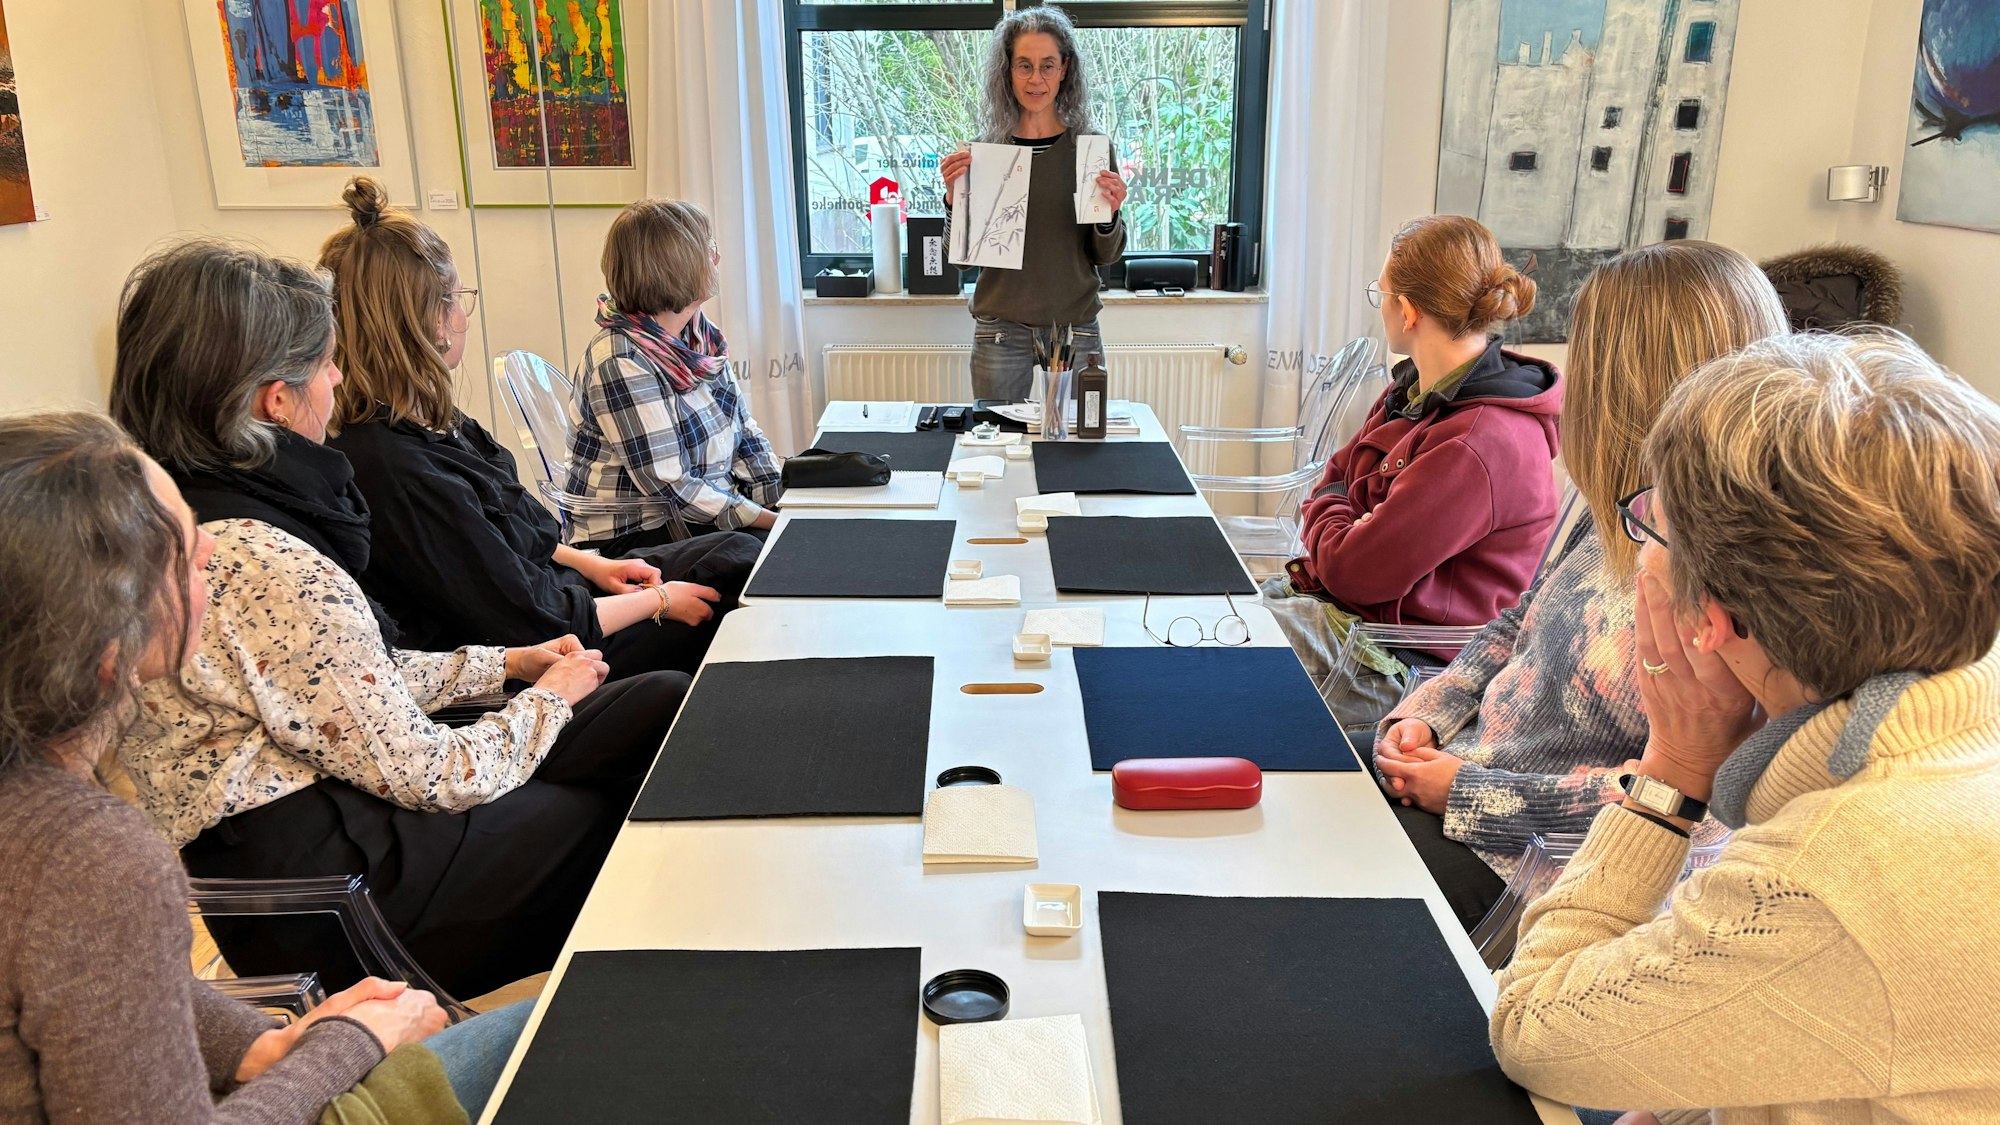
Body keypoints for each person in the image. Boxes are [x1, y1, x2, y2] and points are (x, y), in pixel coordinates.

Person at [109, 238, 687, 1000]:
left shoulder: (190, 511)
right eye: (325, 365)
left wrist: (507, 665)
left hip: (328, 832)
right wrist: (549, 699)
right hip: (350, 893)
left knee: (656, 708)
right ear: (275, 401)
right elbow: (433, 773)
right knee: (619, 817)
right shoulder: (259, 557)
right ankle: (642, 1005)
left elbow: (339, 683)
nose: (338, 379)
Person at [1491, 332, 2000, 1123]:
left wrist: (1673, 767)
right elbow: (1820, 1031)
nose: (1643, 546)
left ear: (1713, 620)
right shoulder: (1941, 747)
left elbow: (1531, 1027)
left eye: (1654, 525)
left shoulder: (1832, 869)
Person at [0, 409, 533, 1123]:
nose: (210, 552)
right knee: (580, 1030)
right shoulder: (88, 855)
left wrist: (258, 1045)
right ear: (105, 644)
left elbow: (105, 983)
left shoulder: (49, 824)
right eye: (183, 553)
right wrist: (349, 1042)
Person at [1371, 241, 1789, 931]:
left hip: (1533, 864)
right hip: (1465, 767)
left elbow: (1695, 801)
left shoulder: (1742, 573)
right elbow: (1518, 622)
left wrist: (1465, 791)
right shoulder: (1631, 507)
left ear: (1617, 380)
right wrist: (1428, 713)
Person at [318, 177, 761, 672]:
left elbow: (528, 532)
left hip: (563, 593)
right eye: (456, 297)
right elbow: (530, 618)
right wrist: (657, 601)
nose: (464, 314)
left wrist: (598, 566)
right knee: (732, 584)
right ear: (433, 320)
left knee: (741, 554)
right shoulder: (400, 471)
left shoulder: (434, 423)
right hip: (552, 645)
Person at [1263, 214, 1558, 730]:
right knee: (1213, 617)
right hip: (1351, 616)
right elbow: (1336, 476)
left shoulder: (1476, 442)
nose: (1380, 306)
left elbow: (1354, 569)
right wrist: (1345, 520)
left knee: (1216, 656)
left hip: (1399, 660)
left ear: (1408, 310)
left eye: (1380, 294)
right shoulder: (1417, 389)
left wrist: (1341, 520)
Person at [566, 197, 783, 554]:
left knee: (811, 537)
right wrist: (771, 521)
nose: (716, 259)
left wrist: (780, 498)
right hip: (635, 534)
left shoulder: (698, 335)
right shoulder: (621, 360)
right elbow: (672, 488)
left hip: (700, 512)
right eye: (708, 249)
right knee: (782, 554)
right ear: (677, 267)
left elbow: (744, 432)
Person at [939, 4, 1129, 400]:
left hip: (1076, 329)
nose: (1036, 78)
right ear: (1007, 71)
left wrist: (1109, 216)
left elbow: (1106, 255)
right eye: (1024, 65)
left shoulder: (1090, 150)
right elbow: (960, 262)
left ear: (1065, 69)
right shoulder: (985, 154)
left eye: (1047, 65)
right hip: (999, 332)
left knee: (1078, 437)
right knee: (996, 437)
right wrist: (954, 202)